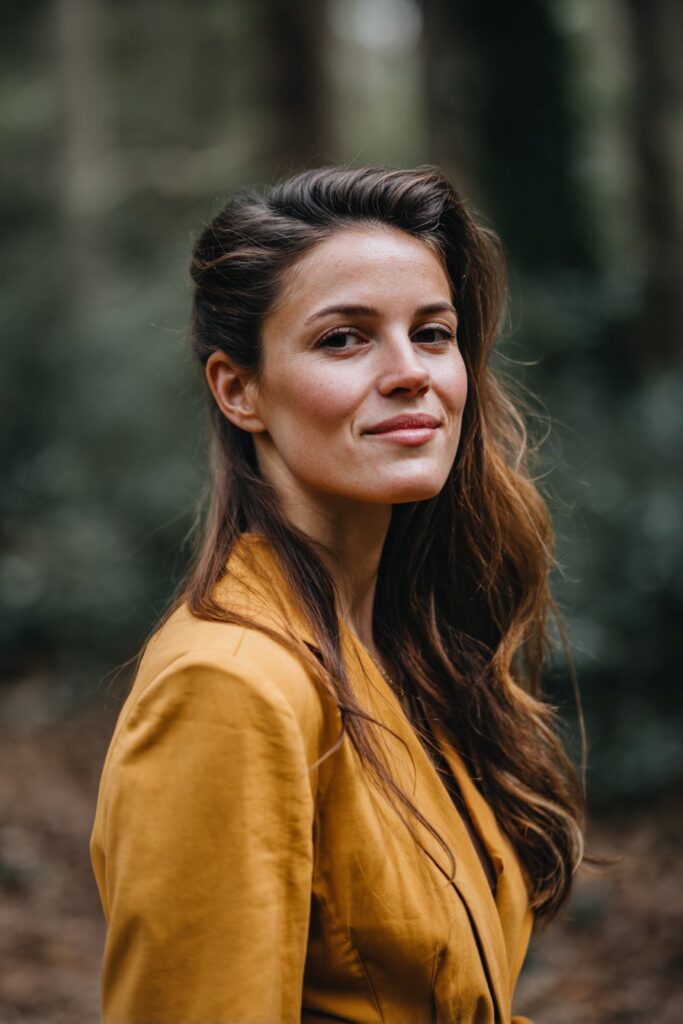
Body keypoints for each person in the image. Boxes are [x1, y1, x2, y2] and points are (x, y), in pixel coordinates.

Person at [90, 165, 585, 1024]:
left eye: (432, 334)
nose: (410, 373)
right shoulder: (230, 688)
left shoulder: (399, 651)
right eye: (344, 340)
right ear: (239, 390)